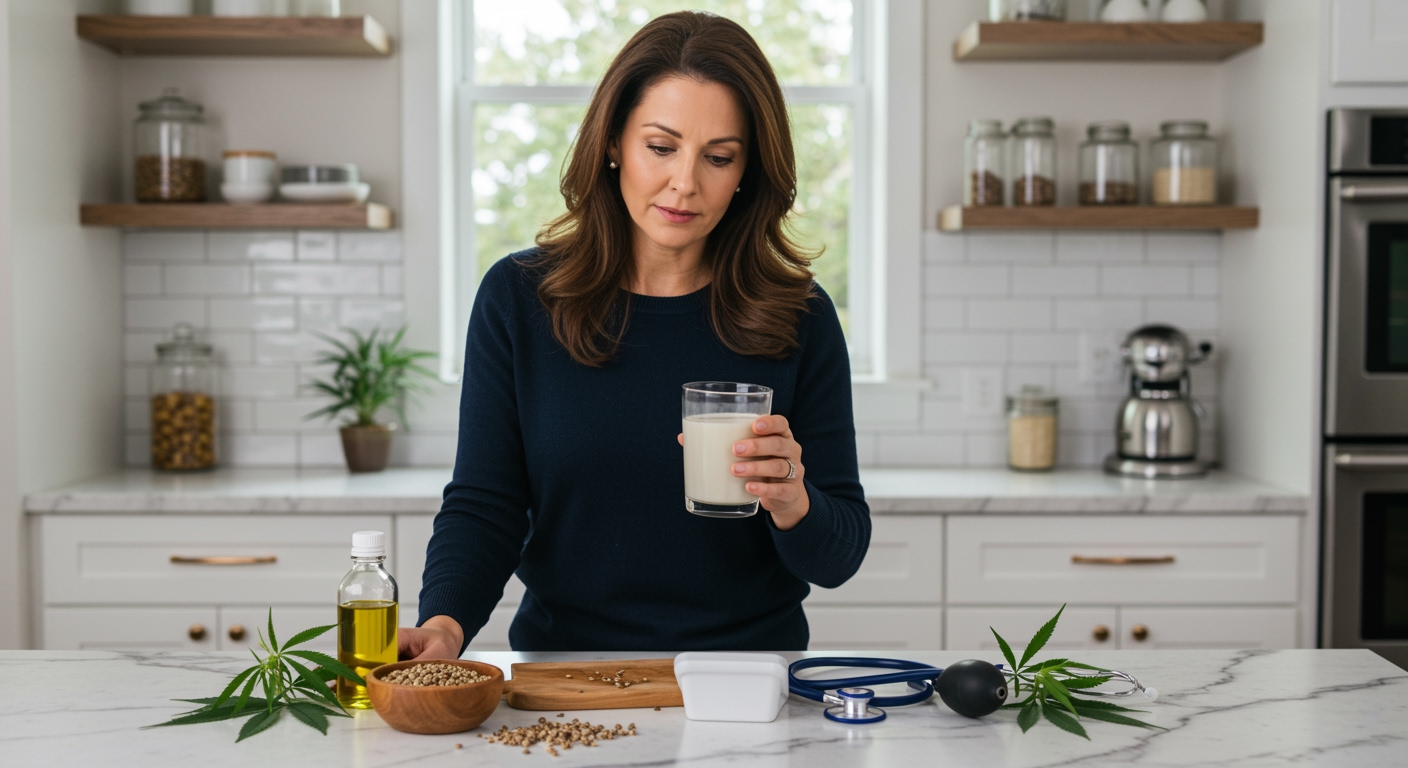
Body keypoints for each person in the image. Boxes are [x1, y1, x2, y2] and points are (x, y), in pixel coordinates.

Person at [399, 10, 869, 658]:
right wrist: (444, 625)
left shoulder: (800, 315)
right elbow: (487, 503)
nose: (685, 182)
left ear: (747, 172)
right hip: (565, 674)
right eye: (661, 146)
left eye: (719, 157)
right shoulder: (518, 299)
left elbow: (840, 554)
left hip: (746, 679)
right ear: (614, 141)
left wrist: (792, 498)